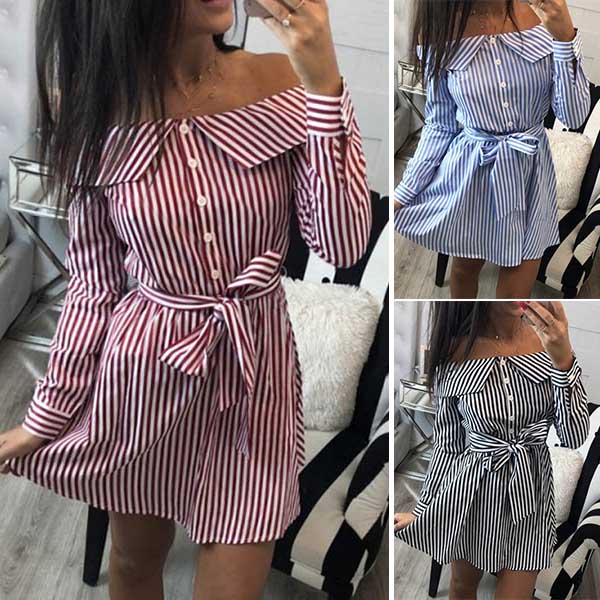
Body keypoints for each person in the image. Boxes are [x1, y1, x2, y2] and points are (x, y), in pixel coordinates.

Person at [0, 1, 372, 599]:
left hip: (255, 383)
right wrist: (46, 417)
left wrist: (324, 83)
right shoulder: (96, 112)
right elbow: (94, 288)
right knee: (132, 562)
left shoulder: (281, 80)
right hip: (143, 380)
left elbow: (341, 241)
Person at [394, 0, 591, 299]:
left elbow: (574, 117)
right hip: (471, 175)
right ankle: (463, 325)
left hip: (530, 176)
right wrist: (405, 191)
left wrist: (565, 37)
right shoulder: (440, 26)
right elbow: (440, 125)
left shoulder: (544, 14)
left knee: (514, 293)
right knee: (464, 269)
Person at [394, 301, 590, 600]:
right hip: (471, 496)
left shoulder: (548, 341)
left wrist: (564, 360)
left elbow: (574, 436)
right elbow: (447, 447)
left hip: (531, 499)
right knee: (462, 586)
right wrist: (424, 513)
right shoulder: (454, 355)